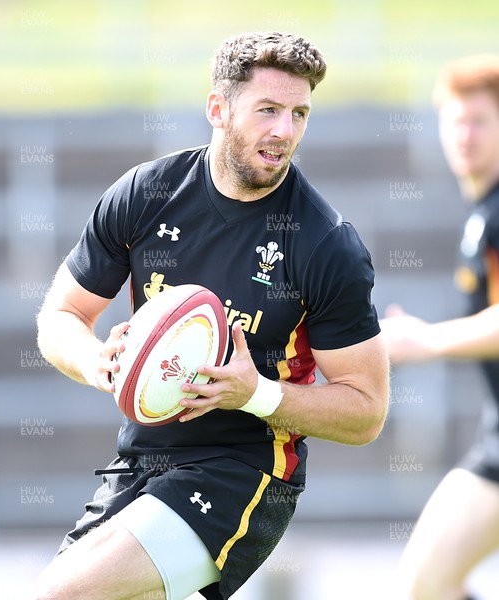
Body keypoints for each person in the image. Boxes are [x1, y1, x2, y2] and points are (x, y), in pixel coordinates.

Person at [31, 31, 389, 600]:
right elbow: (61, 316)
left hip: (244, 472)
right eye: (267, 110)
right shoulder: (146, 195)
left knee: (57, 595)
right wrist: (99, 361)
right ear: (217, 109)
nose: (285, 131)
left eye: (299, 113)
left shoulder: (325, 244)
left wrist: (255, 393)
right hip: (139, 461)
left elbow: (367, 411)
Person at [380, 55, 499, 600]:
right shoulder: (482, 213)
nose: (464, 135)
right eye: (455, 121)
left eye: (479, 120)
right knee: (426, 583)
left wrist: (423, 341)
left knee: (425, 582)